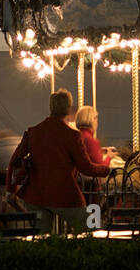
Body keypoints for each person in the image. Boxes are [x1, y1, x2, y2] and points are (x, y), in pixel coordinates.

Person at [8, 89, 112, 234]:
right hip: (64, 195)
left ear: (50, 107)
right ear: (69, 109)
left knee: (43, 237)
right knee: (91, 229)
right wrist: (107, 169)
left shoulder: (34, 131)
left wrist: (10, 189)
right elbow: (86, 167)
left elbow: (15, 160)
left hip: (36, 195)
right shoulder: (72, 136)